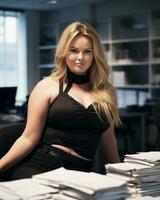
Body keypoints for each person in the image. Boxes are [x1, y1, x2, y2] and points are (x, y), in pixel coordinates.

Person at [0, 21, 121, 180]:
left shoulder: (107, 91)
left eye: (87, 52)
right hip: (40, 167)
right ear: (64, 52)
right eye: (74, 50)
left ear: (95, 54)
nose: (80, 57)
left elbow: (108, 139)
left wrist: (124, 175)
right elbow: (28, 138)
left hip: (80, 175)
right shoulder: (47, 86)